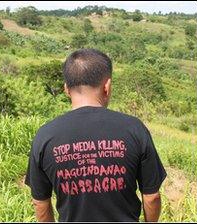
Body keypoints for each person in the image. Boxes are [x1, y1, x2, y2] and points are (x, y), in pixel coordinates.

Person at [25, 48, 167, 222]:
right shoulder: (134, 128)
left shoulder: (45, 136)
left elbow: (40, 203)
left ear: (66, 89)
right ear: (107, 87)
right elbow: (152, 197)